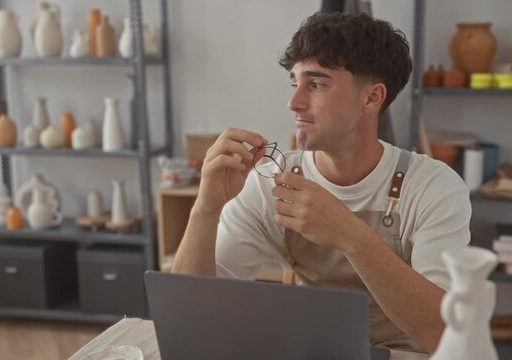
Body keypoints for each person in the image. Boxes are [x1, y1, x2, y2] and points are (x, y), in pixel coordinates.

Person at [172, 11, 471, 355]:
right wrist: (206, 208)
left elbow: (445, 336)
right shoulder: (270, 182)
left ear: (372, 98)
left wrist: (352, 237)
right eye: (294, 82)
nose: (294, 102)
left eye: (315, 84)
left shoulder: (433, 187)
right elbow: (189, 319)